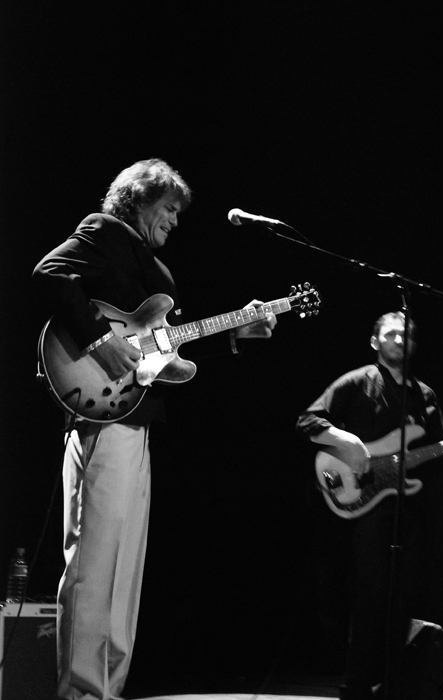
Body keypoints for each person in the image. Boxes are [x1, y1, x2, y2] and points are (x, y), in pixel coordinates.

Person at [32, 157, 277, 700]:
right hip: (102, 412)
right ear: (139, 198)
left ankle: (107, 688)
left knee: (125, 568)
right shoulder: (105, 230)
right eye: (168, 207)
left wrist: (237, 332)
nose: (174, 219)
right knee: (95, 560)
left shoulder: (149, 264)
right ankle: (80, 692)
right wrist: (101, 340)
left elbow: (164, 349)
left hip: (136, 417)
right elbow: (48, 274)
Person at [296, 311, 443, 700]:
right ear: (376, 341)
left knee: (403, 601)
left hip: (407, 510)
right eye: (391, 334)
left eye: (407, 336)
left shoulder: (424, 395)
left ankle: (391, 686)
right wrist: (347, 442)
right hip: (367, 507)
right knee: (371, 597)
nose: (399, 340)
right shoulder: (358, 381)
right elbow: (308, 420)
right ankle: (356, 687)